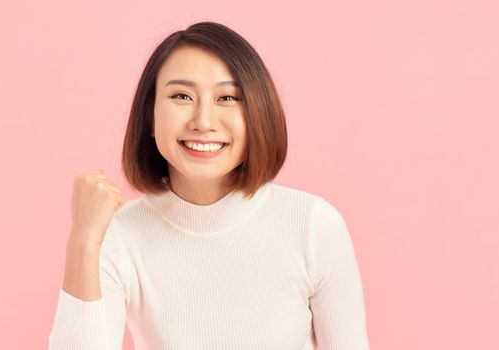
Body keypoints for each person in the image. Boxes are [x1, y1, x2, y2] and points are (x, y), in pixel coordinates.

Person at [48, 21, 370, 350]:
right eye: (181, 96)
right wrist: (84, 243)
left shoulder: (313, 225)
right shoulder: (118, 235)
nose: (203, 122)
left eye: (227, 97)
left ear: (258, 113)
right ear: (150, 117)